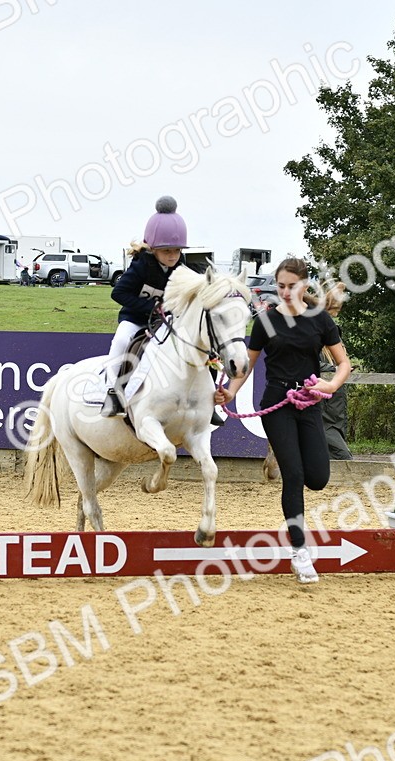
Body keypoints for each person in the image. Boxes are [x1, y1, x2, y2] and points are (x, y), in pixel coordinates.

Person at [215, 258, 352, 583]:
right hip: (276, 403)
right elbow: (245, 366)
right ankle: (300, 551)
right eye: (281, 286)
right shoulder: (266, 321)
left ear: (305, 286)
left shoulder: (319, 320)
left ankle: (286, 454)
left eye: (292, 286)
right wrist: (230, 392)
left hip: (309, 403)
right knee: (294, 475)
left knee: (317, 477)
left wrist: (330, 385)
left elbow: (343, 363)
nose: (286, 291)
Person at [102, 196, 209, 418]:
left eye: (177, 250)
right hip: (134, 319)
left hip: (164, 321)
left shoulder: (180, 266)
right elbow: (118, 293)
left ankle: (207, 400)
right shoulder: (141, 266)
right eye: (167, 251)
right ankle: (113, 392)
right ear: (153, 249)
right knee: (120, 341)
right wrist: (150, 306)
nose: (173, 256)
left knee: (193, 344)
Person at [318, 284, 352, 460]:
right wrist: (334, 370)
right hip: (325, 411)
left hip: (335, 411)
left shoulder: (333, 331)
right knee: (344, 457)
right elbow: (311, 362)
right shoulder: (317, 331)